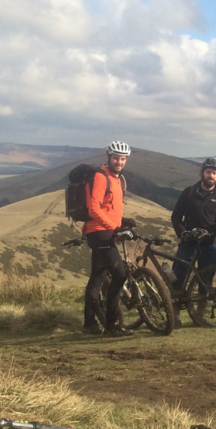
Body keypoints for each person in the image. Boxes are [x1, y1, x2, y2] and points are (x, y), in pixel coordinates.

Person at [170, 157, 216, 325]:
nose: (210, 175)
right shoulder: (189, 192)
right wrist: (183, 233)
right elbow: (176, 216)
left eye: (214, 173)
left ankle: (199, 316)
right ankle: (175, 318)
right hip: (187, 243)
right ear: (202, 173)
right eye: (208, 172)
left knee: (205, 283)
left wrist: (210, 232)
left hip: (209, 245)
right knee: (177, 279)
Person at [83, 141, 133, 336]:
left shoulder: (117, 178)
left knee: (96, 280)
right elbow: (94, 208)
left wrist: (123, 221)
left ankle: (89, 325)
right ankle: (111, 326)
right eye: (116, 158)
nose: (119, 162)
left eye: (122, 159)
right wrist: (115, 228)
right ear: (108, 157)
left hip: (106, 232)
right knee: (120, 275)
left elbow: (108, 208)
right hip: (100, 233)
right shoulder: (101, 176)